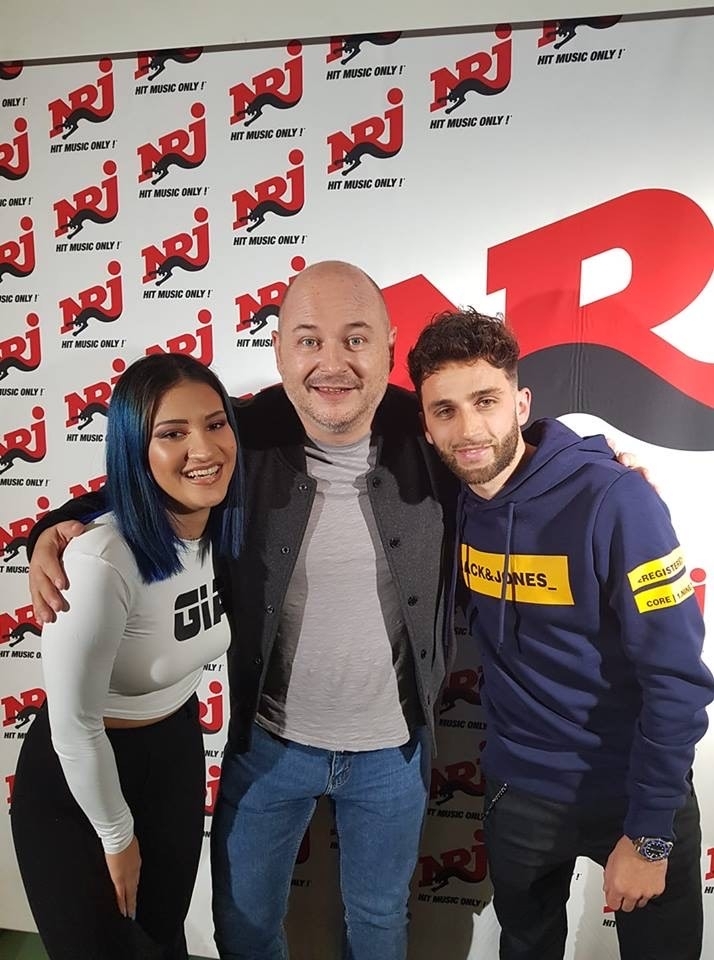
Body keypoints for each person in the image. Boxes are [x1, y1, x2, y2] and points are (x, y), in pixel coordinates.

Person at [26, 262, 647, 960]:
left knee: (379, 926)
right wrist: (52, 526)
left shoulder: (431, 432)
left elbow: (514, 447)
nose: (332, 362)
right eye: (308, 340)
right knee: (245, 926)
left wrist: (598, 466)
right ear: (279, 351)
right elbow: (152, 476)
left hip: (393, 752)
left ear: (388, 348)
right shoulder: (241, 435)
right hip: (268, 746)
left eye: (355, 339)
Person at [406, 308, 714, 960]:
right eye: (445, 411)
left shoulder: (616, 499)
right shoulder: (453, 501)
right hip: (519, 789)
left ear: (521, 405)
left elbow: (677, 679)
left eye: (485, 401)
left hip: (631, 790)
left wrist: (650, 834)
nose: (469, 429)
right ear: (427, 427)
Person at [11, 353, 242, 960]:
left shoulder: (228, 523)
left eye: (215, 424)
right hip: (80, 776)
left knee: (162, 944)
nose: (203, 448)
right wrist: (117, 836)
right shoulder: (100, 559)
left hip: (175, 756)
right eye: (172, 433)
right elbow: (75, 727)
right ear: (135, 449)